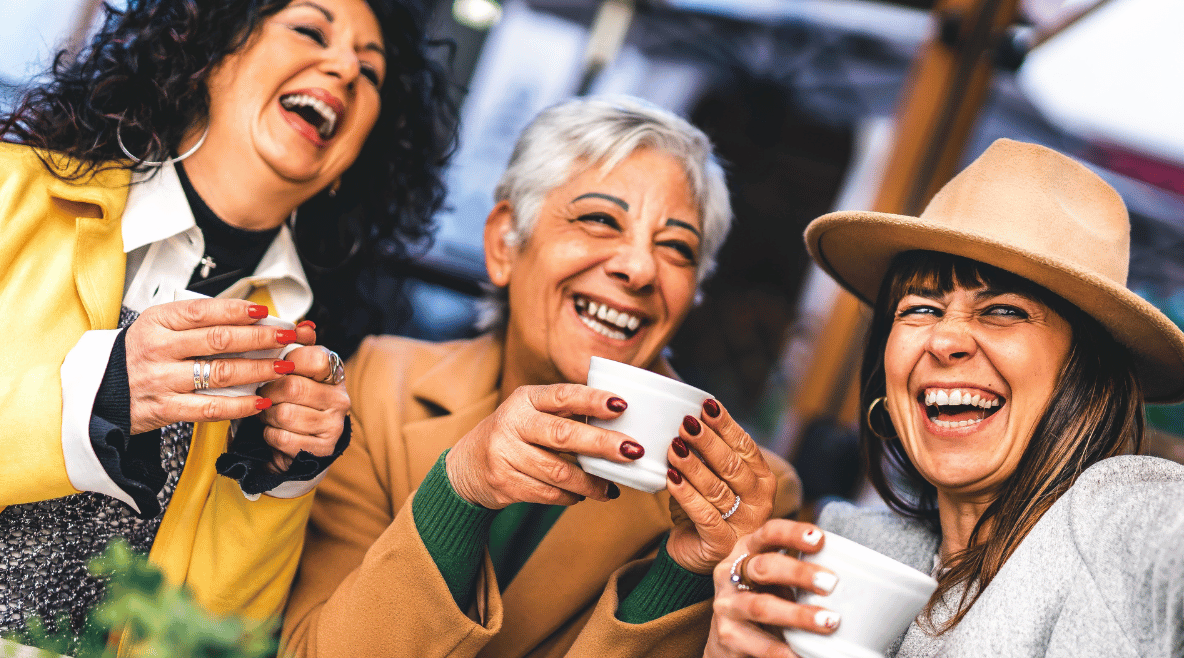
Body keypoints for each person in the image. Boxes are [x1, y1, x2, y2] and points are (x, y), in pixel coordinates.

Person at [0, 0, 454, 638]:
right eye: (310, 30)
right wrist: (92, 400)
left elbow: (217, 635)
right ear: (210, 52)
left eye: (370, 73)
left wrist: (285, 478)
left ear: (354, 159)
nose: (343, 70)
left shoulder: (301, 342)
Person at [282, 96, 802, 658]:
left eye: (676, 248)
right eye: (601, 220)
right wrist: (460, 491)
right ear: (505, 242)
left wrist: (687, 573)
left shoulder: (747, 500)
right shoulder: (382, 383)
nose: (640, 268)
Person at [705, 139, 1184, 657]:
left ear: (1085, 374)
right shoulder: (849, 549)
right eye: (920, 307)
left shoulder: (1119, 525)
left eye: (1004, 311)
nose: (944, 340)